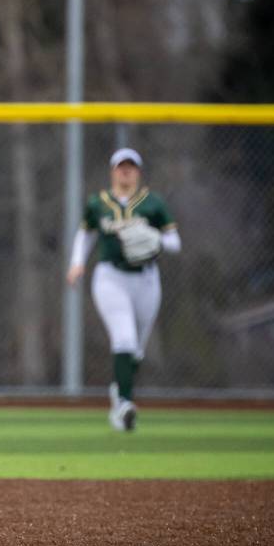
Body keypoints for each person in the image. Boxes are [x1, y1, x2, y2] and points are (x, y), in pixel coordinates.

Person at [65, 148, 181, 431]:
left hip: (146, 280)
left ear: (138, 171)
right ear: (112, 171)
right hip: (111, 277)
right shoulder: (99, 203)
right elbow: (86, 234)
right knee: (124, 339)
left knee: (137, 350)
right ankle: (125, 405)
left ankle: (120, 390)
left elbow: (174, 243)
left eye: (131, 167)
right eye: (121, 166)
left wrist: (153, 238)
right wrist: (77, 263)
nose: (125, 171)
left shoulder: (153, 203)